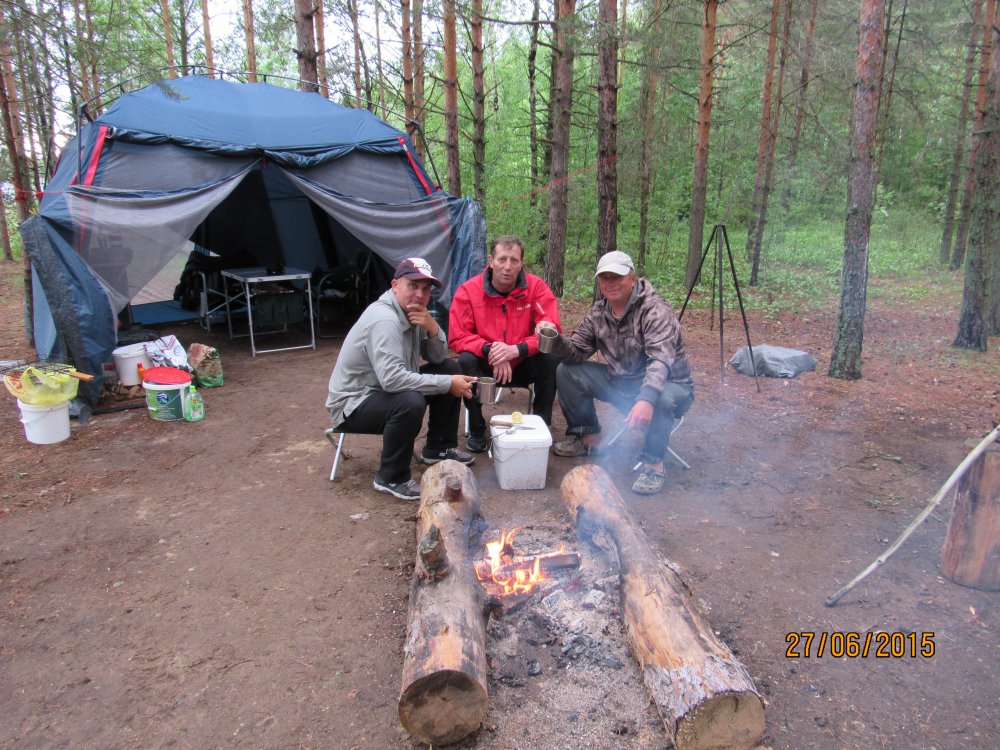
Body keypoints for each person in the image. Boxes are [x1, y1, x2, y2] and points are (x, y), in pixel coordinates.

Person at [540, 250, 694, 495]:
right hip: (623, 383)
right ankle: (590, 440)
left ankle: (653, 465)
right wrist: (555, 339)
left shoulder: (655, 310)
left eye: (617, 277)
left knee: (661, 396)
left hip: (672, 386)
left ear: (632, 278)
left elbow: (660, 360)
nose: (610, 283)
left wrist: (646, 399)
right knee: (567, 372)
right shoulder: (599, 313)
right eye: (605, 278)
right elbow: (575, 352)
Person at [326, 257, 476, 500]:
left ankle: (438, 448)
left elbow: (438, 358)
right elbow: (393, 381)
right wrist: (448, 384)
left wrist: (433, 328)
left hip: (384, 391)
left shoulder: (413, 313)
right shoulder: (385, 320)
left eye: (425, 289)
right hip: (353, 404)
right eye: (413, 286)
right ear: (395, 285)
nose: (419, 294)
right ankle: (391, 477)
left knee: (449, 368)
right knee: (410, 401)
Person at [448, 236, 561, 452]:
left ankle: (541, 424)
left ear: (522, 263)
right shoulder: (469, 291)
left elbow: (551, 330)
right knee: (465, 360)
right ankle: (476, 426)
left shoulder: (536, 288)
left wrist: (517, 350)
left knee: (551, 357)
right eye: (502, 259)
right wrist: (491, 350)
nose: (508, 266)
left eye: (514, 260)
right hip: (486, 367)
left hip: (523, 363)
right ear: (491, 261)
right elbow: (458, 335)